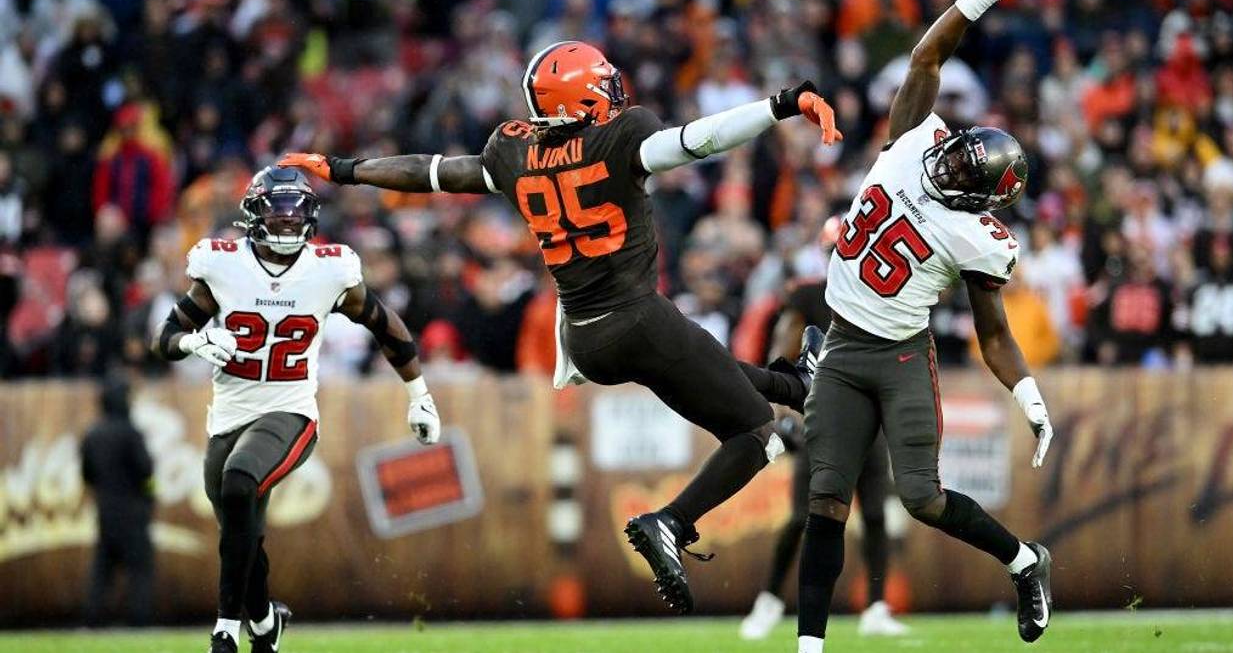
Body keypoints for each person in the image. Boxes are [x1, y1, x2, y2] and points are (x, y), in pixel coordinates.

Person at [279, 40, 843, 613]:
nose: (614, 91)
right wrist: (782, 103)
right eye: (601, 82)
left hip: (585, 337)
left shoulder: (515, 153)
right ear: (580, 97)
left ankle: (796, 384)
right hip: (639, 318)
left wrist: (347, 170)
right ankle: (670, 522)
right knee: (757, 436)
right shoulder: (621, 137)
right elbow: (700, 139)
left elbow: (434, 174)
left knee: (721, 376)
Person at [794, 0, 1056, 652]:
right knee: (823, 498)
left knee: (922, 498)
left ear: (980, 201)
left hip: (900, 354)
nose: (950, 165)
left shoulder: (977, 238)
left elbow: (992, 331)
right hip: (841, 339)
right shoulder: (916, 138)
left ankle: (1023, 560)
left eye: (965, 173)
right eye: (959, 153)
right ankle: (807, 647)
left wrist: (1027, 395)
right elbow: (927, 53)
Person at [151, 166, 443, 653]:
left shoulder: (329, 269)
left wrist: (421, 395)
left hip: (290, 412)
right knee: (241, 529)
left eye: (296, 213)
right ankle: (265, 625)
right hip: (227, 415)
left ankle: (225, 631)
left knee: (241, 482)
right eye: (278, 212)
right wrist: (196, 341)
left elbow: (383, 322)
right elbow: (163, 339)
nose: (288, 224)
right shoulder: (222, 265)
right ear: (253, 215)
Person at [740, 218, 907, 640]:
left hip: (870, 418)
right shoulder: (811, 296)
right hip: (825, 418)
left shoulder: (881, 298)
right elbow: (784, 348)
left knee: (874, 514)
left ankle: (876, 606)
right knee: (803, 517)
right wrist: (787, 407)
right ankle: (769, 600)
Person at [80, 371, 154, 627]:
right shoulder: (131, 433)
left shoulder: (92, 434)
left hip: (105, 511)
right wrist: (149, 495)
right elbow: (146, 471)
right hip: (133, 512)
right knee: (140, 570)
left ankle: (92, 620)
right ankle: (139, 622)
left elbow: (87, 475)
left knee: (102, 571)